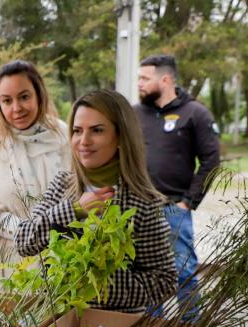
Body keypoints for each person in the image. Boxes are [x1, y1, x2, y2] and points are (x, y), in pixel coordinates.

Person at [15, 89, 177, 313]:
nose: (84, 141)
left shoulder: (142, 202)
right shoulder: (63, 185)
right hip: (56, 323)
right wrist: (73, 211)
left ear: (120, 136)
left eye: (97, 130)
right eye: (77, 131)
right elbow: (23, 241)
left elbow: (164, 282)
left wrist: (96, 282)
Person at [135, 55, 220, 327]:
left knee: (184, 273)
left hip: (174, 208)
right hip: (139, 208)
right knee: (146, 273)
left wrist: (188, 201)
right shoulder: (136, 114)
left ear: (166, 79)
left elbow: (210, 160)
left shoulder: (195, 113)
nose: (139, 84)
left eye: (144, 79)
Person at [0, 60, 70, 290]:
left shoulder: (65, 137)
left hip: (65, 264)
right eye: (7, 101)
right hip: (12, 271)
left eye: (24, 96)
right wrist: (34, 233)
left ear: (39, 94)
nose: (17, 108)